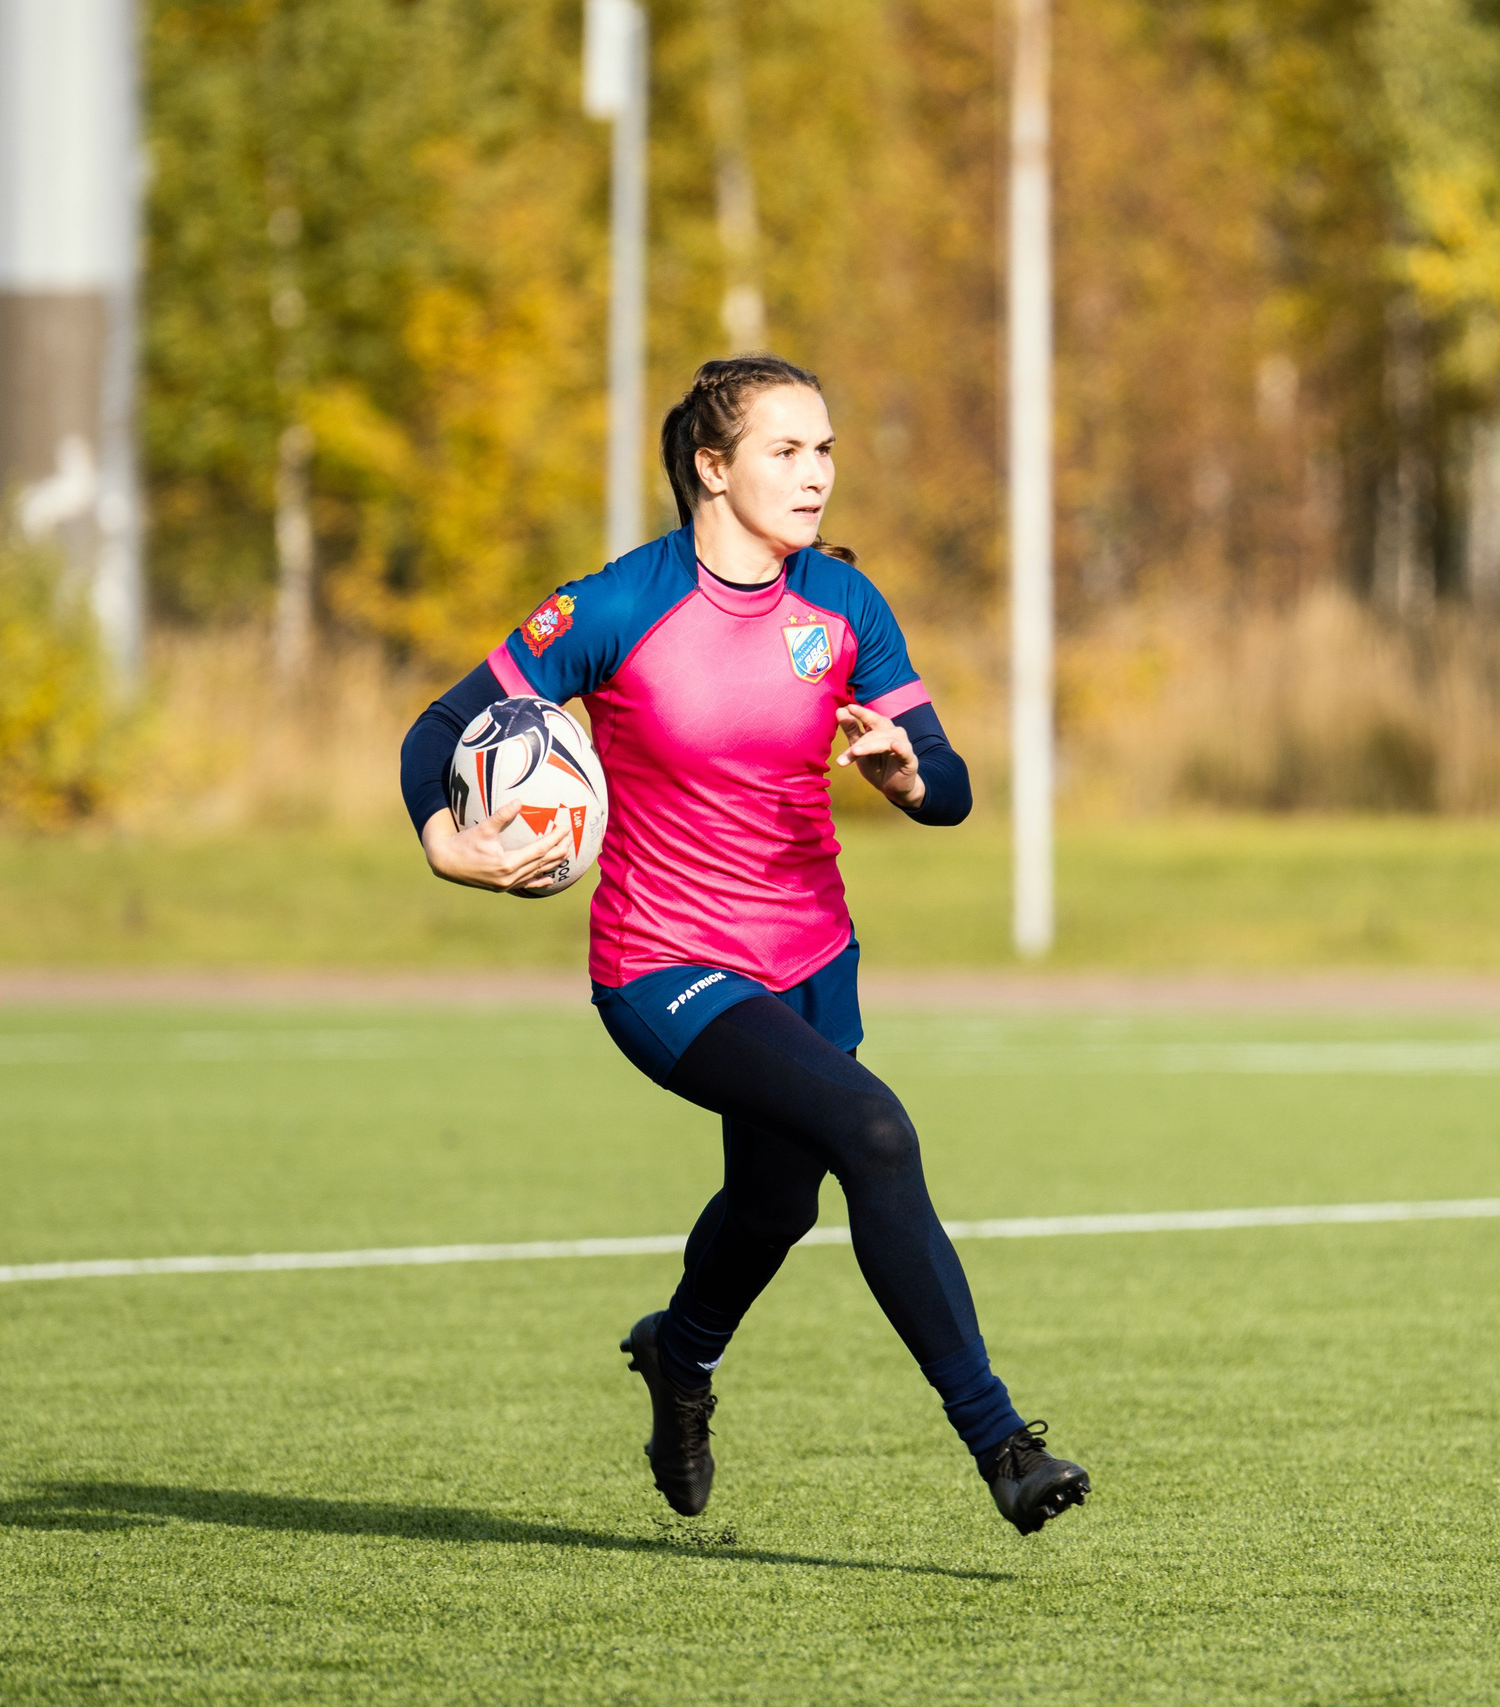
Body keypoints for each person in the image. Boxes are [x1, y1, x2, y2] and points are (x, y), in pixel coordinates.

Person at [396, 355, 1089, 1536]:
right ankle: (1003, 1445)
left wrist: (909, 776)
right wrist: (443, 841)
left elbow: (951, 784)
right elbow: (440, 727)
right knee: (875, 1133)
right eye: (786, 451)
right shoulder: (615, 606)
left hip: (813, 957)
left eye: (825, 451)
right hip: (663, 963)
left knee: (775, 1207)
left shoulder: (844, 605)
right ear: (711, 469)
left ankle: (679, 1356)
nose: (816, 475)